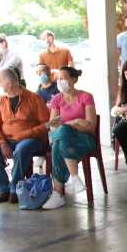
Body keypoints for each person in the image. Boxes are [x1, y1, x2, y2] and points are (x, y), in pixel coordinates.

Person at [0, 68, 49, 205]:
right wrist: (2, 143)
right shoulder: (1, 100)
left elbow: (46, 124)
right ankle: (3, 189)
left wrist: (26, 134)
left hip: (32, 139)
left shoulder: (34, 98)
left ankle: (15, 188)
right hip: (7, 140)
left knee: (22, 149)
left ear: (9, 83)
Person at [42, 67, 97, 210]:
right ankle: (75, 177)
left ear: (72, 80)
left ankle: (57, 193)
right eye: (57, 78)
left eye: (62, 78)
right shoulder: (56, 99)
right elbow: (53, 126)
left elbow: (90, 126)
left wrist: (66, 125)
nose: (58, 81)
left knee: (60, 140)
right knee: (62, 133)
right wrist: (76, 122)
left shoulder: (86, 97)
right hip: (62, 136)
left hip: (84, 139)